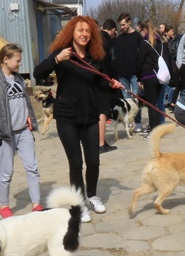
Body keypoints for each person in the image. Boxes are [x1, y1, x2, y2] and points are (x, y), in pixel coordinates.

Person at [33, 16, 123, 223]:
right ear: (71, 33)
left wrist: (111, 85)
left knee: (93, 161)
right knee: (76, 164)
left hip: (90, 114)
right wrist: (57, 60)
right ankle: (79, 204)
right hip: (66, 116)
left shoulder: (96, 57)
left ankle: (91, 196)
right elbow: (38, 73)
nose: (84, 34)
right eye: (80, 30)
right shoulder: (63, 54)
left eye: (87, 31)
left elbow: (100, 84)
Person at [0, 43, 41, 219]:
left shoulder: (20, 80)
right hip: (6, 136)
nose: (19, 64)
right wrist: (0, 125)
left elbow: (25, 102)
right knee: (6, 172)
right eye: (17, 60)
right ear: (5, 60)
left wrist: (28, 117)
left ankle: (37, 203)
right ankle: (4, 206)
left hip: (24, 132)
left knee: (32, 167)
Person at [137, 19, 169, 137]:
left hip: (148, 76)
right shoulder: (161, 43)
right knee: (156, 103)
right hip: (161, 76)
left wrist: (139, 77)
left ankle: (153, 130)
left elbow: (140, 61)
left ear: (144, 30)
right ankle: (158, 128)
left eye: (140, 31)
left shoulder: (144, 43)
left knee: (151, 104)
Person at [113, 13, 144, 131]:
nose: (122, 27)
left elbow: (141, 55)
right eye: (120, 25)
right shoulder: (119, 39)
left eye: (123, 24)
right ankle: (129, 122)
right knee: (126, 100)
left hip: (135, 73)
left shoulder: (137, 37)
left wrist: (140, 75)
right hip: (122, 74)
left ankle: (137, 122)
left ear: (129, 22)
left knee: (136, 99)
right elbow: (115, 56)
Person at [99, 18, 119, 154]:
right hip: (105, 79)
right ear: (113, 30)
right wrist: (114, 79)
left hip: (93, 78)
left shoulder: (95, 40)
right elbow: (113, 62)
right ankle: (101, 143)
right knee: (103, 112)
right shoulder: (110, 43)